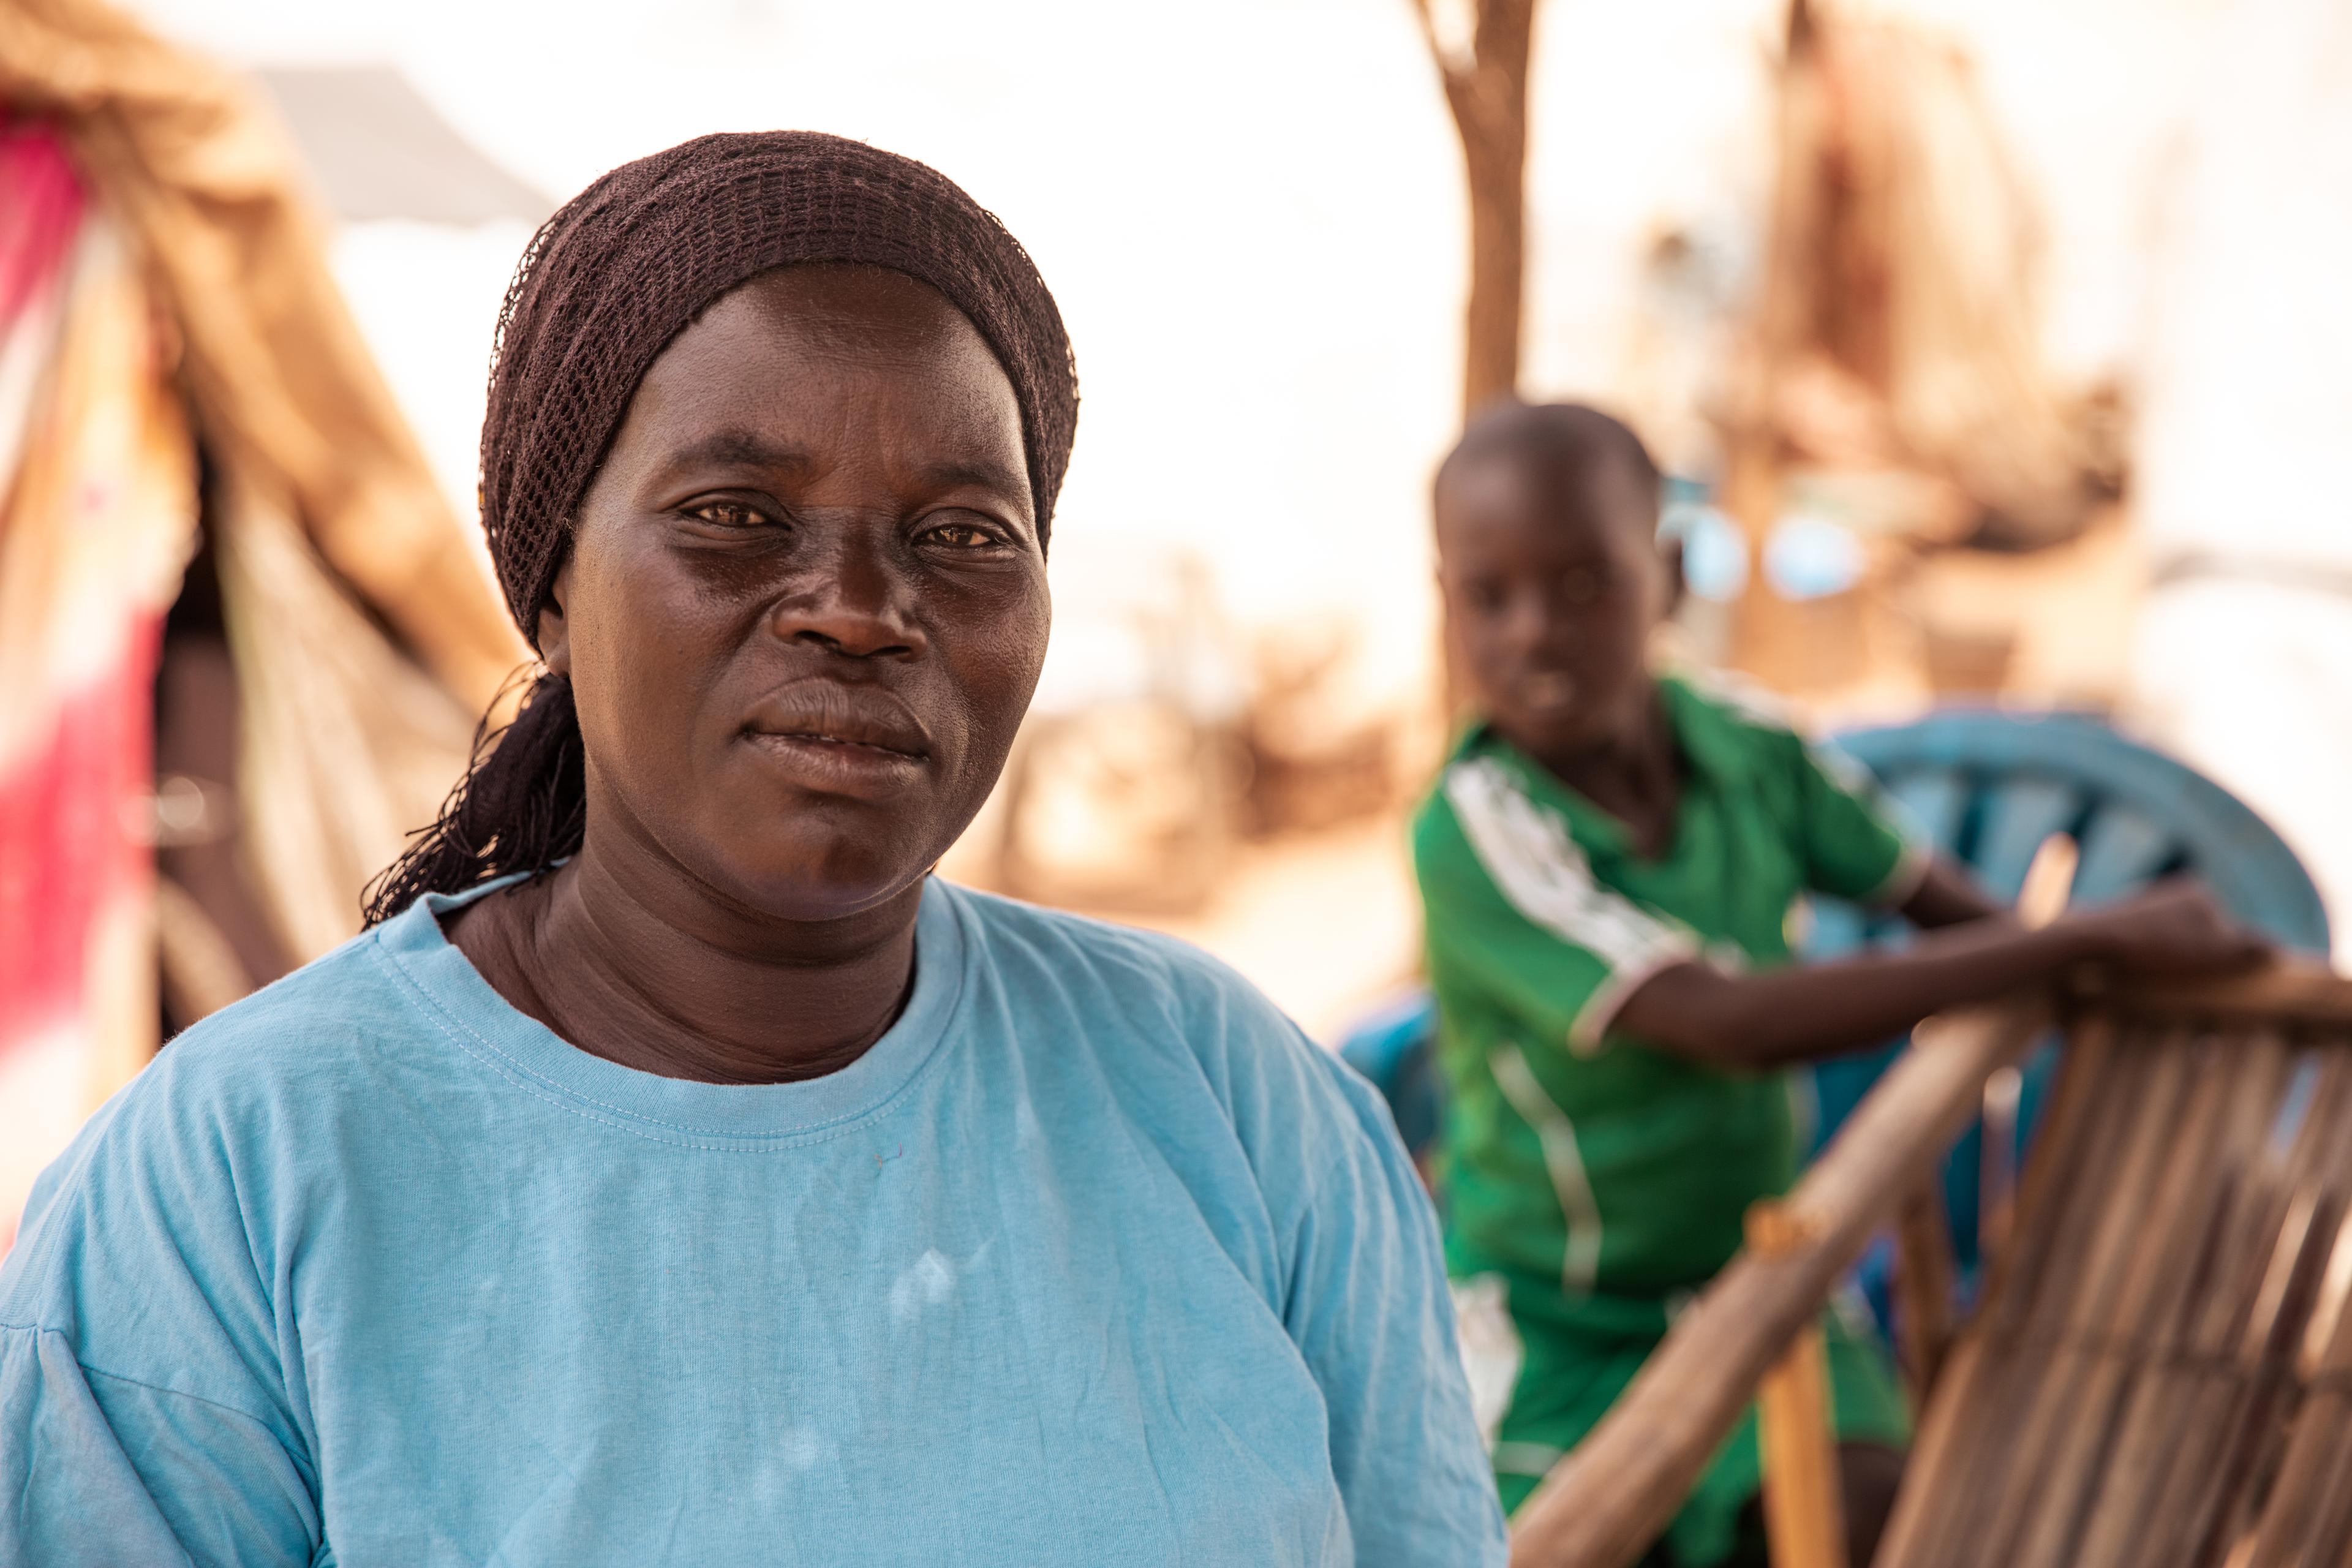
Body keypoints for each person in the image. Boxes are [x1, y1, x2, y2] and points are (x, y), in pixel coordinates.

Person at [0, 133, 1505, 1567]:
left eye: (965, 532)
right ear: (553, 591)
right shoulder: (232, 1184)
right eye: (734, 515)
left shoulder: (1240, 1107)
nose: (858, 605)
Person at [1416, 401, 2267, 1566]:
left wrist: (2083, 952)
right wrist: (2085, 940)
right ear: (1446, 604)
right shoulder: (1478, 827)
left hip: (1765, 1281)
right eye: (1488, 596)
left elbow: (1948, 911)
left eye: (1583, 584)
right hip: (1556, 1325)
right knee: (1550, 1542)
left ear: (1668, 577)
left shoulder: (1752, 750)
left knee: (1874, 1519)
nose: (1534, 634)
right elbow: (1725, 1024)